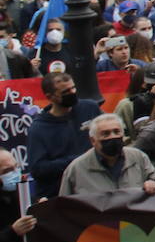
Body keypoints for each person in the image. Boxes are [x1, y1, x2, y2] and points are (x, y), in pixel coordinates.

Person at [27, 70, 106, 200]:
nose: (72, 93)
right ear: (50, 97)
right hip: (60, 194)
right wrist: (78, 161)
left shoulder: (90, 108)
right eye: (65, 92)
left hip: (95, 188)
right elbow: (38, 169)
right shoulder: (39, 128)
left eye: (73, 88)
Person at [59, 114, 155, 196]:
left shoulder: (138, 157)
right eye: (105, 134)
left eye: (116, 131)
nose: (112, 137)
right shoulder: (76, 168)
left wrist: (154, 185)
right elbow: (64, 207)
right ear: (93, 140)